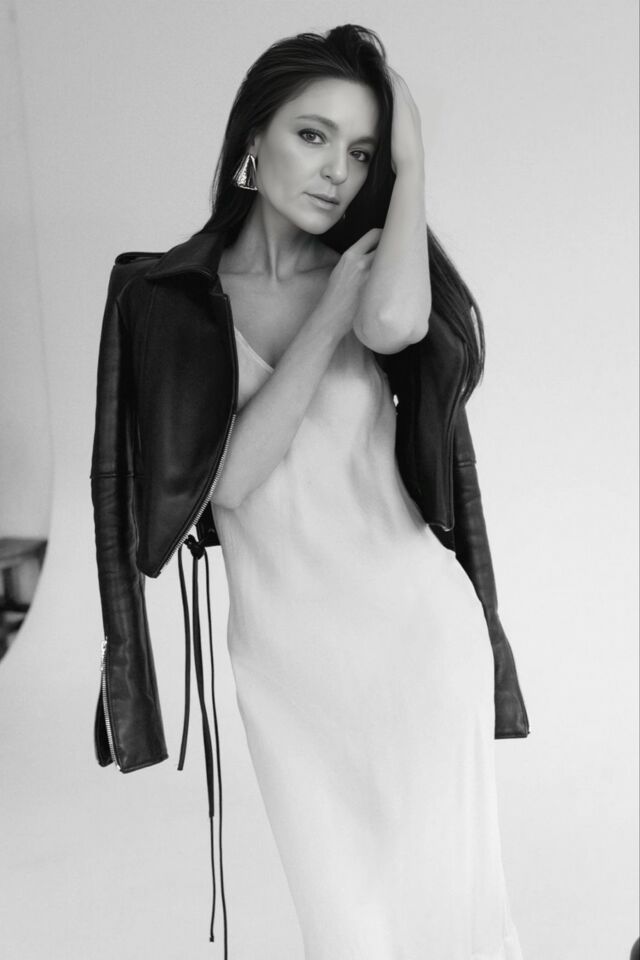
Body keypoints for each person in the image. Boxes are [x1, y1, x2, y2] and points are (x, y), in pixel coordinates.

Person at [90, 22, 529, 960]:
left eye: (362, 151)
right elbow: (231, 484)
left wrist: (413, 164)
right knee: (346, 933)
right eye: (313, 135)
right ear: (255, 135)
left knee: (455, 924)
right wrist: (326, 316)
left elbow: (396, 323)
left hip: (415, 639)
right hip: (288, 666)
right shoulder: (171, 296)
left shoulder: (372, 272)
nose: (336, 170)